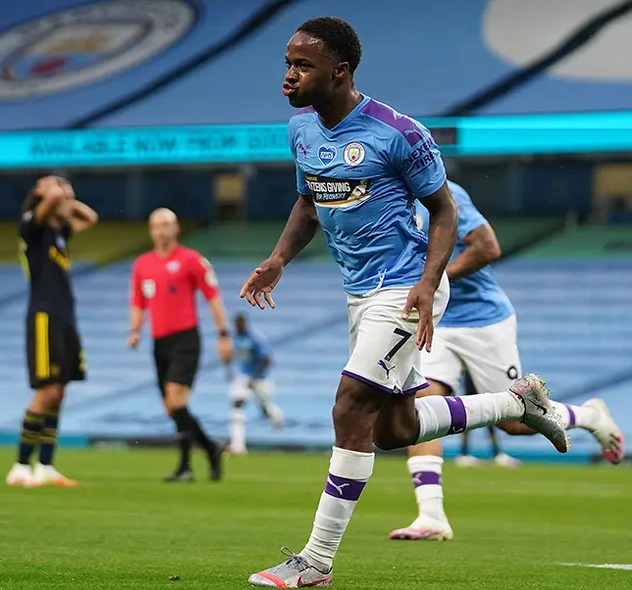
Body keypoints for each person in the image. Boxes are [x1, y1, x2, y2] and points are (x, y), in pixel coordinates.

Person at [240, 17, 568, 588]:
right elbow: (308, 203)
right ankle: (516, 403)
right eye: (288, 64)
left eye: (303, 66)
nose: (289, 76)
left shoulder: (399, 133)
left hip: (403, 285)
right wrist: (278, 259)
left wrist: (428, 279)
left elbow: (445, 211)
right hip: (359, 292)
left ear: (340, 72)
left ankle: (315, 563)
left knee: (349, 407)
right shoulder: (301, 131)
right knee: (395, 428)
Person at [388, 181, 624, 542]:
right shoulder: (384, 198)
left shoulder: (441, 192)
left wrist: (432, 280)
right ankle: (431, 516)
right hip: (437, 319)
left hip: (484, 321)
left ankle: (590, 415)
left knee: (515, 423)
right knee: (422, 409)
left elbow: (487, 247)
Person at [128, 208, 233, 482]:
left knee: (176, 399)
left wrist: (223, 334)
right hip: (159, 341)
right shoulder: (142, 265)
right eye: (156, 225)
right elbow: (138, 301)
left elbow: (213, 296)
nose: (161, 230)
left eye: (166, 224)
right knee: (171, 407)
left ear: (176, 229)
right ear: (150, 230)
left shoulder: (192, 260)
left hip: (185, 338)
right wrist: (135, 330)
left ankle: (196, 458)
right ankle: (205, 452)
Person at [6, 175, 98, 488]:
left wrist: (67, 198)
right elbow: (49, 204)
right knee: (46, 391)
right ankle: (20, 465)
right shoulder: (31, 227)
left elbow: (91, 218)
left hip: (65, 316)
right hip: (43, 316)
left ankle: (45, 465)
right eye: (52, 184)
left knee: (59, 392)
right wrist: (57, 192)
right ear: (38, 193)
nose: (60, 187)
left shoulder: (59, 232)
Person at [227, 312, 285, 455]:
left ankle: (277, 417)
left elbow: (267, 359)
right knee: (237, 404)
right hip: (244, 376)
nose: (238, 327)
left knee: (265, 409)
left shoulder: (256, 338)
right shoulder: (234, 337)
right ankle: (237, 445)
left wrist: (254, 377)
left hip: (260, 378)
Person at [454, 371, 519, 469]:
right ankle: (464, 454)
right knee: (472, 417)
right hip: (475, 385)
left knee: (486, 419)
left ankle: (494, 453)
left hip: (479, 384)